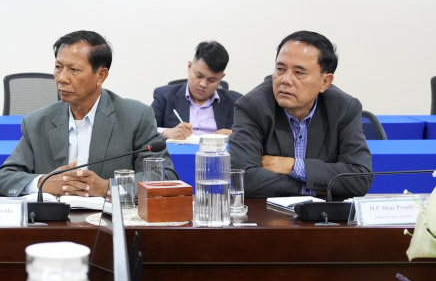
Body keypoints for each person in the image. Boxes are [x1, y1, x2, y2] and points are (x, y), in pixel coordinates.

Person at [0, 30, 178, 197]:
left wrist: (107, 187)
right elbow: (4, 178)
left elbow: (165, 177)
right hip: (54, 220)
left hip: (109, 220)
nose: (62, 78)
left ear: (100, 76)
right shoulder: (37, 122)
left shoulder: (135, 117)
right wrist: (42, 183)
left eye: (73, 70)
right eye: (58, 67)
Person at [229, 30, 372, 198]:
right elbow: (244, 178)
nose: (286, 80)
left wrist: (292, 166)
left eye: (299, 73)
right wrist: (314, 186)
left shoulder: (343, 108)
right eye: (280, 69)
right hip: (268, 213)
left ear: (325, 82)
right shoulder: (253, 106)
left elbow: (359, 178)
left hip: (323, 213)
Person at [152, 41, 241, 139]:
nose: (203, 84)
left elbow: (250, 133)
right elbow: (146, 129)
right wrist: (166, 133)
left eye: (212, 80)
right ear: (189, 66)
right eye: (199, 76)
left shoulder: (237, 102)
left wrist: (235, 134)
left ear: (221, 78)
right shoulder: (164, 96)